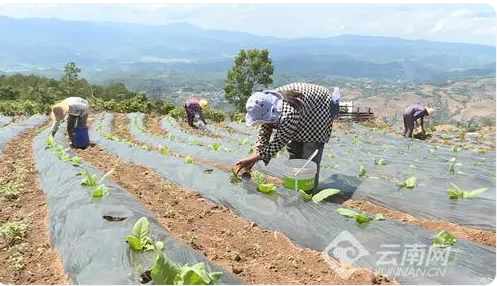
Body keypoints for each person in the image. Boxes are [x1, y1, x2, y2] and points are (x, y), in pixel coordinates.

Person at [235, 83, 338, 194]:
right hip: (303, 110)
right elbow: (265, 128)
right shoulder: (266, 104)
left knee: (309, 154)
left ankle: (308, 192)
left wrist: (254, 158)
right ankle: (295, 186)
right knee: (294, 149)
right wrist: (256, 152)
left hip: (319, 109)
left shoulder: (288, 114)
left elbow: (279, 142)